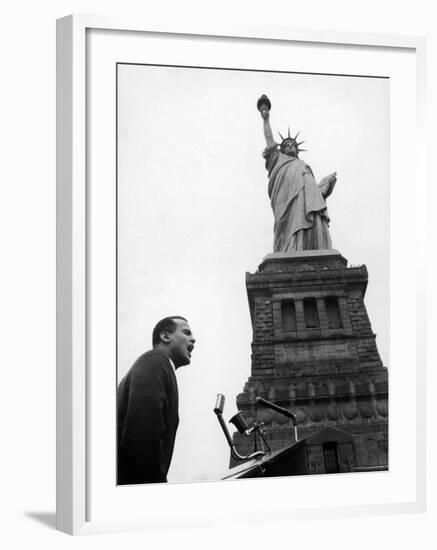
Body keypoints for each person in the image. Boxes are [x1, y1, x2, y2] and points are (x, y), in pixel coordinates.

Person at [117, 316, 195, 485]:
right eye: (186, 332)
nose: (193, 339)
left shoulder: (160, 365)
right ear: (165, 337)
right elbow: (142, 432)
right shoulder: (156, 362)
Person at [257, 95, 337, 252]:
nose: (290, 147)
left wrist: (325, 186)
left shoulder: (303, 166)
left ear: (297, 149)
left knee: (309, 215)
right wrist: (265, 119)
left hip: (304, 203)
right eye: (286, 145)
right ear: (282, 150)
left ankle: (307, 245)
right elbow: (269, 139)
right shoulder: (278, 159)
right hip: (285, 200)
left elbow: (314, 196)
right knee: (289, 222)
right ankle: (291, 248)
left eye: (293, 145)